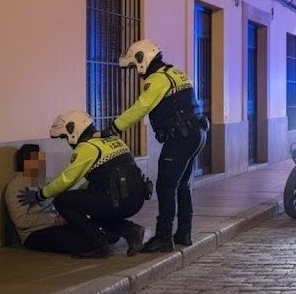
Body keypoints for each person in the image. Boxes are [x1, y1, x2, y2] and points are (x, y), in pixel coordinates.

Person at [103, 38, 209, 252]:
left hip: (180, 137)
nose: (137, 71)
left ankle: (163, 237)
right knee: (182, 185)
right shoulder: (177, 73)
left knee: (165, 186)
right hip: (196, 134)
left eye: (135, 65)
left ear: (143, 59)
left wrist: (114, 127)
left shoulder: (158, 79)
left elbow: (140, 107)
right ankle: (184, 233)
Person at [17, 110, 148, 258]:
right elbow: (98, 179)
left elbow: (66, 179)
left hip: (118, 200)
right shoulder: (112, 139)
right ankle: (131, 231)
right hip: (136, 198)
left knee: (62, 201)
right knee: (93, 209)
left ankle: (99, 244)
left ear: (73, 129)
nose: (67, 141)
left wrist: (39, 195)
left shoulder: (87, 147)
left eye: (65, 137)